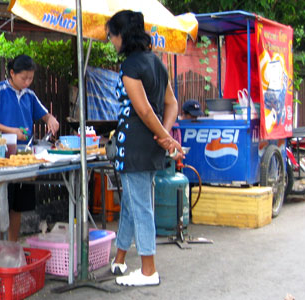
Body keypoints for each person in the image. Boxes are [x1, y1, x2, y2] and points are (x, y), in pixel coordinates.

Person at [105, 10, 184, 286]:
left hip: (136, 144)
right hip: (151, 145)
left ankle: (148, 270)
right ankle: (120, 258)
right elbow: (171, 104)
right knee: (131, 201)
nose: (111, 41)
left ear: (122, 35)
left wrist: (164, 137)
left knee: (141, 206)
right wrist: (165, 135)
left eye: (111, 35)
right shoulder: (157, 63)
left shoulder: (130, 67)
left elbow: (145, 110)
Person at [0, 54, 59, 242]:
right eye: (24, 78)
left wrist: (51, 119)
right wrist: (11, 131)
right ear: (12, 73)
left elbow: (45, 115)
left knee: (17, 207)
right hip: (1, 158)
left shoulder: (29, 96)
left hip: (24, 159)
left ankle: (12, 247)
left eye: (30, 78)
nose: (27, 82)